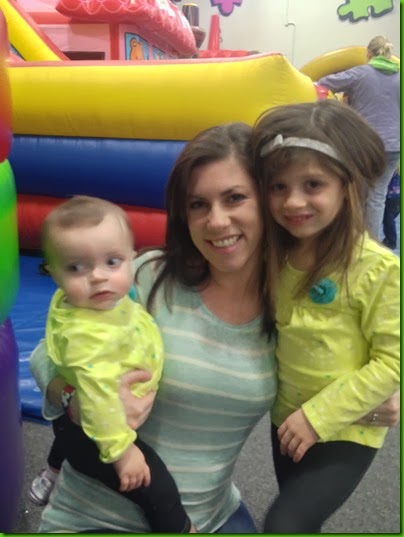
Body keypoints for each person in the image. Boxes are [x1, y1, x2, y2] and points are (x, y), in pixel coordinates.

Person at [29, 122, 399, 534]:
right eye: (198, 205)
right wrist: (73, 397)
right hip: (97, 517)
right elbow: (46, 355)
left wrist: (371, 401)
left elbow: (343, 365)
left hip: (211, 516)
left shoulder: (289, 301)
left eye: (235, 198)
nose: (217, 221)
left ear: (266, 201)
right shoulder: (145, 277)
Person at [250, 99, 400, 533]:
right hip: (286, 419)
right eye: (278, 186)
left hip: (347, 426)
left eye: (313, 184)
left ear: (346, 185)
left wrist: (320, 415)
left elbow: (393, 360)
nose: (293, 201)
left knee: (285, 524)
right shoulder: (274, 255)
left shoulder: (377, 268)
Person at [30, 195, 193, 533]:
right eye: (76, 268)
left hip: (91, 426)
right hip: (99, 432)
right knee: (158, 487)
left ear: (132, 258)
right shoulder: (85, 335)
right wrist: (122, 451)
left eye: (112, 262)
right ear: (53, 274)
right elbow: (96, 397)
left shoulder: (104, 302)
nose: (97, 277)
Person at [317, 36, 400, 242]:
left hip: (367, 144)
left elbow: (324, 82)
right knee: (377, 196)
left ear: (368, 54)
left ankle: (354, 239)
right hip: (394, 145)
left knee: (358, 193)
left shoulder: (361, 73)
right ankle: (371, 242)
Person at [382, 166, 400, 250]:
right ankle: (389, 239)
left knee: (388, 218)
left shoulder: (394, 166)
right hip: (396, 196)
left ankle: (391, 241)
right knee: (389, 218)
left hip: (392, 196)